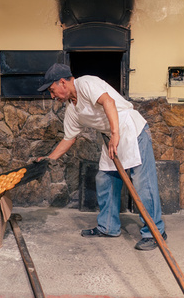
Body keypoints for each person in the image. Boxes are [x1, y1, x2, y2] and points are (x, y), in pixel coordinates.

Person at [38, 63, 166, 251]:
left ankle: (155, 233)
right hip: (111, 137)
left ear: (63, 83)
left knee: (142, 184)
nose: (52, 96)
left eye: (52, 90)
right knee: (105, 179)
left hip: (130, 130)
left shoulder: (86, 83)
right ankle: (108, 227)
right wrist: (49, 159)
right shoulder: (72, 108)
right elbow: (69, 138)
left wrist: (115, 134)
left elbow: (108, 102)